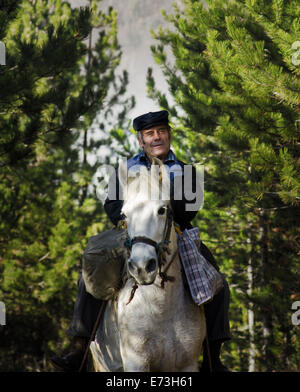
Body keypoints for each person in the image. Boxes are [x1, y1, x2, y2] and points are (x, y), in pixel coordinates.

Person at [50, 110, 231, 372]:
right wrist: (127, 220)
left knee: (217, 281)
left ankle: (213, 357)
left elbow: (191, 208)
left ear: (169, 134)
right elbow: (111, 204)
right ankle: (79, 348)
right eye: (150, 133)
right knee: (91, 269)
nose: (156, 137)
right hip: (132, 232)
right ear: (140, 140)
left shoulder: (185, 171)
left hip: (175, 232)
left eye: (161, 131)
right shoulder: (126, 169)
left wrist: (165, 201)